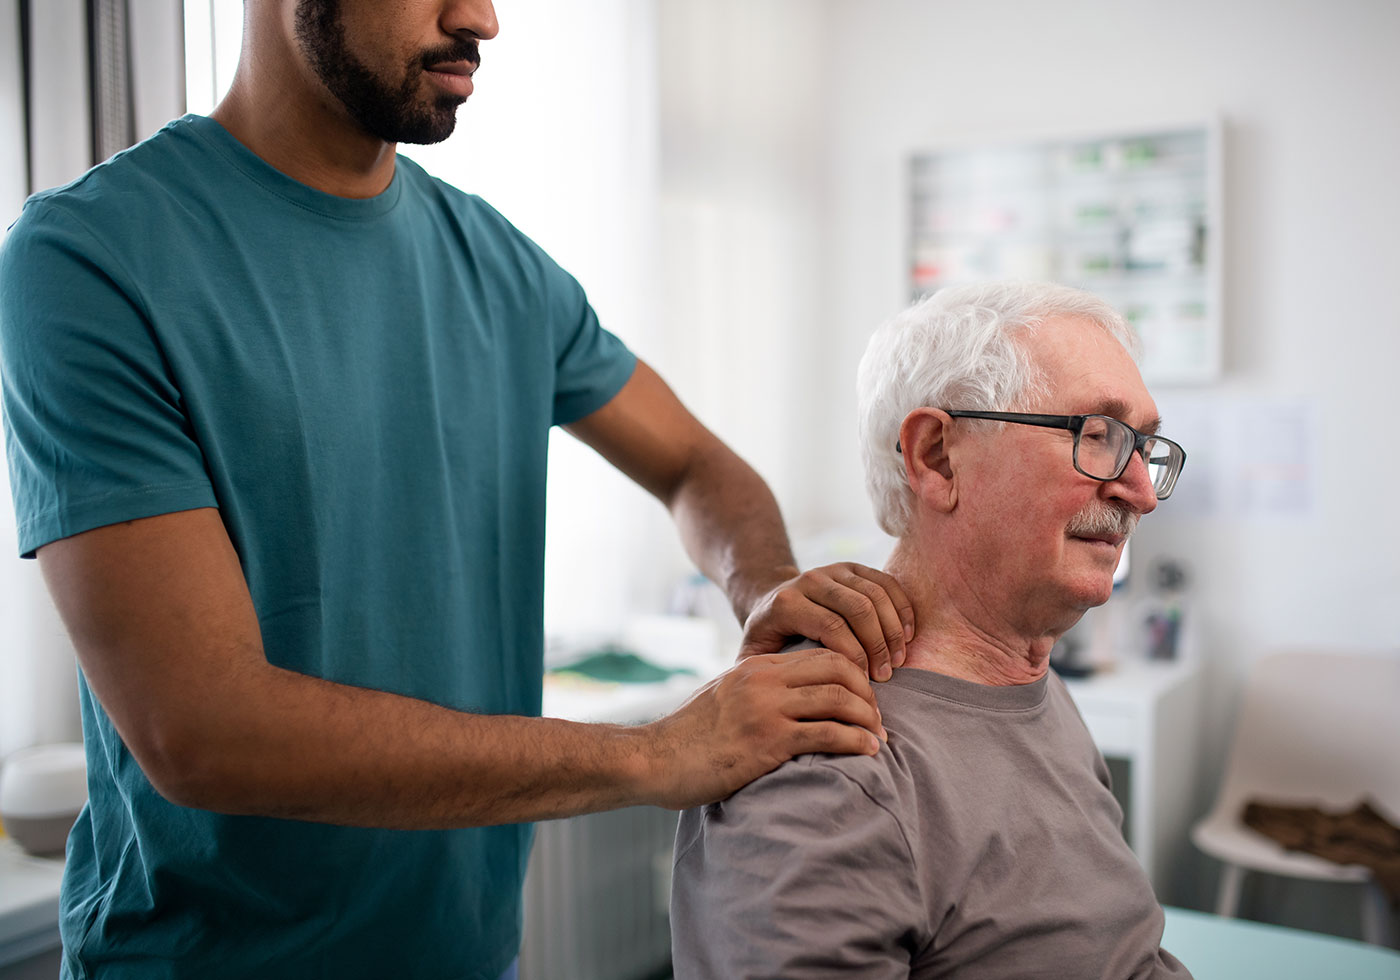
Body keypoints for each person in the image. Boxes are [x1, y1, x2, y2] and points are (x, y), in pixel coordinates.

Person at [0, 2, 916, 978]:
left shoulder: (504, 267)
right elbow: (202, 730)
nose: (479, 18)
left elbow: (694, 463)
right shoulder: (92, 258)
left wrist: (763, 582)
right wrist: (656, 753)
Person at [670, 281, 1194, 979]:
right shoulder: (828, 771)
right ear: (937, 457)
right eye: (1097, 436)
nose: (1141, 492)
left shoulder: (1033, 684)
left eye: (1144, 446)